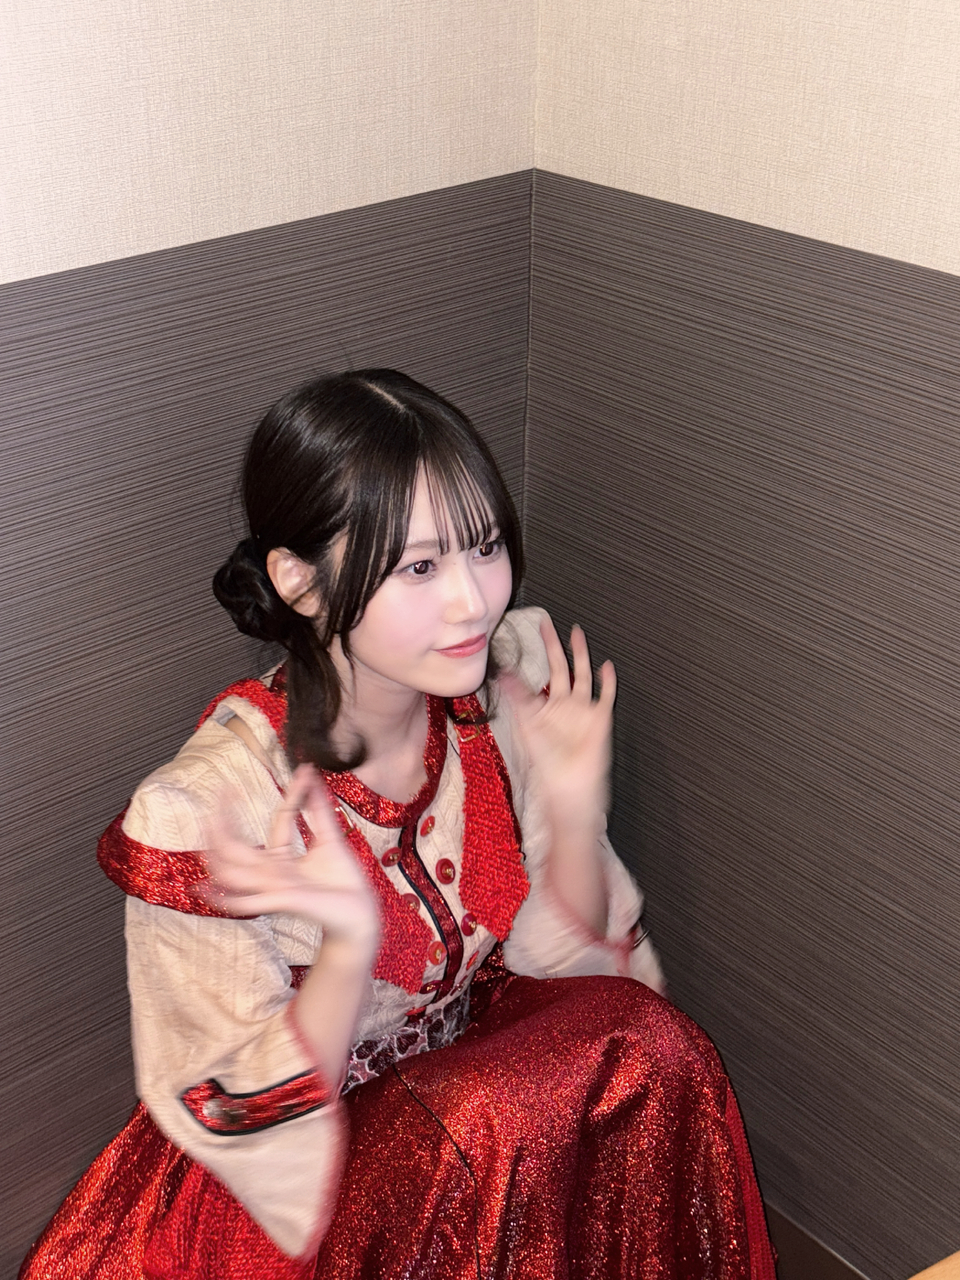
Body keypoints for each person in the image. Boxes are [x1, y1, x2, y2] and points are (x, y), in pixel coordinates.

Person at [21, 370, 775, 1279]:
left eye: (485, 547)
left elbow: (561, 968)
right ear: (300, 582)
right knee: (482, 1116)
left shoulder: (496, 687)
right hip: (301, 1188)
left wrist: (574, 810)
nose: (473, 601)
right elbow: (241, 1121)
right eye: (419, 567)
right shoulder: (209, 808)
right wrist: (347, 950)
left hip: (468, 1112)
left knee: (648, 1044)